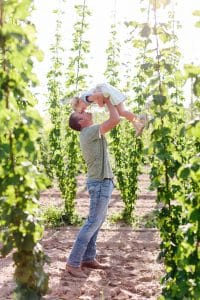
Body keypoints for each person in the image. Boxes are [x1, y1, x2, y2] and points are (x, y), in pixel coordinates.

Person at [66, 97, 120, 278]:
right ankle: (73, 263)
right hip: (99, 183)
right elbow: (115, 120)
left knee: (97, 222)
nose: (85, 110)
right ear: (81, 121)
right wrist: (108, 100)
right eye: (81, 112)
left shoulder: (91, 131)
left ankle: (88, 258)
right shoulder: (89, 132)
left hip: (104, 181)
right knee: (92, 223)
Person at [71, 82, 148, 136]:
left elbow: (99, 95)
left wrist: (100, 104)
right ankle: (138, 122)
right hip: (107, 91)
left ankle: (140, 119)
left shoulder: (86, 99)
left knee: (121, 112)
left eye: (82, 109)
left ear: (79, 103)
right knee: (121, 112)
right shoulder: (85, 98)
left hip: (107, 92)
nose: (84, 109)